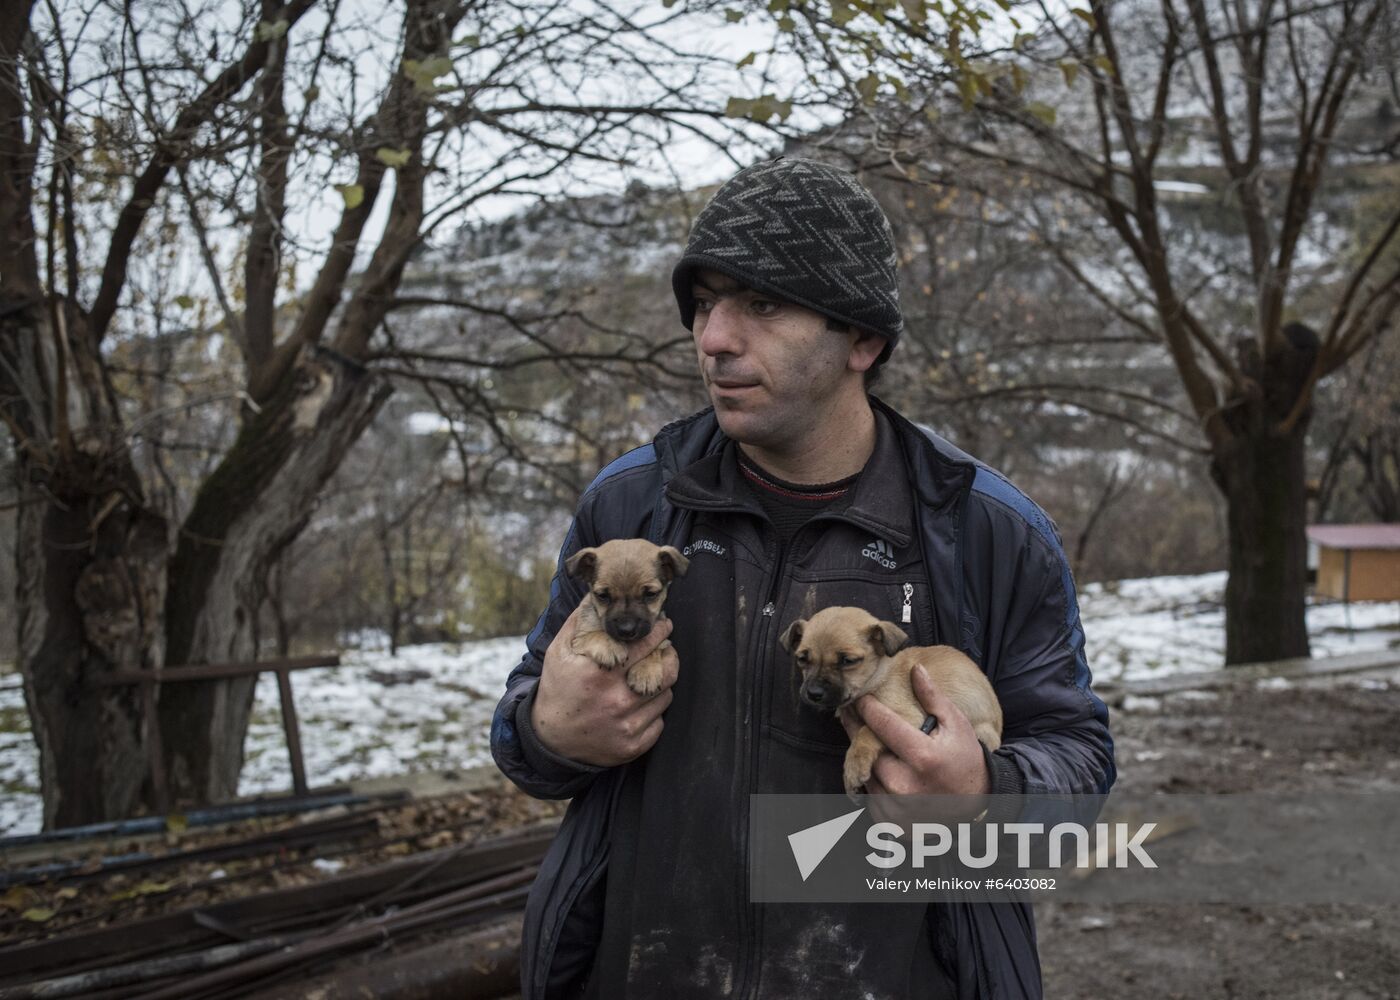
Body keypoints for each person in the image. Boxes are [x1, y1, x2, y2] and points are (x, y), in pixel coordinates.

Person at [491, 156, 1115, 999]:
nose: (713, 338)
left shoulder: (984, 532)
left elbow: (1077, 766)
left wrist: (986, 792)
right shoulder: (634, 509)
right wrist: (547, 729)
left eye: (762, 303)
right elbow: (526, 736)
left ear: (863, 339)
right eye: (705, 304)